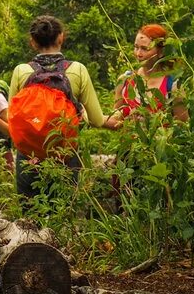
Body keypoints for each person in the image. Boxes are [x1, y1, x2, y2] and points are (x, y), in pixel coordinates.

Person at [8, 15, 121, 203]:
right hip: (66, 156)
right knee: (63, 216)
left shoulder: (21, 71)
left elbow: (12, 116)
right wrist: (82, 113)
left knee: (29, 219)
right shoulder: (77, 70)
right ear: (61, 37)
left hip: (29, 157)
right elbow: (97, 120)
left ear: (32, 42)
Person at [114, 23, 189, 122]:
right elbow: (116, 120)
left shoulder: (173, 87)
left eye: (145, 49)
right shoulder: (124, 80)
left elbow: (182, 127)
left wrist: (152, 120)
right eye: (136, 47)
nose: (138, 54)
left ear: (161, 52)